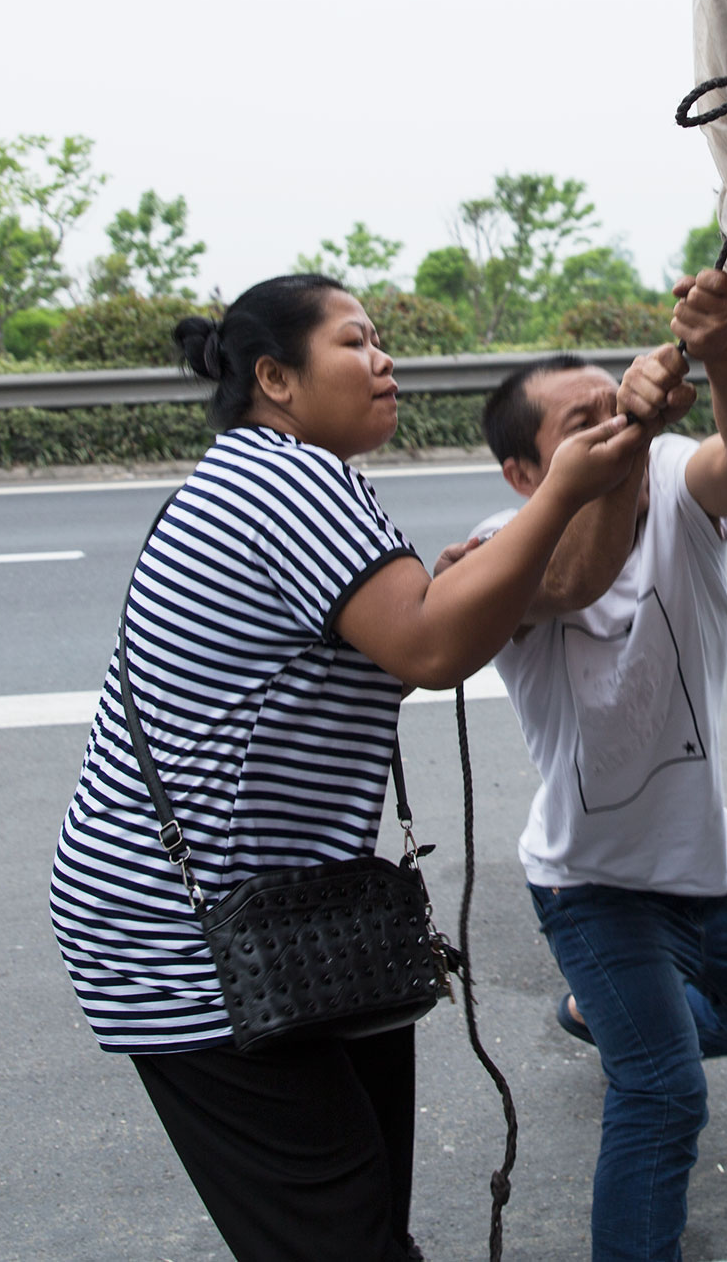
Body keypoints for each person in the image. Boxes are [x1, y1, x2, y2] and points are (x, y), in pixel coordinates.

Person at [48, 272, 649, 1262]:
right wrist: (560, 490)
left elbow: (564, 583)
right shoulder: (285, 480)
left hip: (298, 921)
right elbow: (430, 646)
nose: (384, 360)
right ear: (275, 379)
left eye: (380, 341)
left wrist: (621, 460)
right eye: (355, 341)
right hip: (193, 937)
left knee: (357, 1221)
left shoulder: (283, 476)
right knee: (342, 1239)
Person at [444, 269, 727, 1262]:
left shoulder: (676, 480)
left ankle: (598, 1013)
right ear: (524, 474)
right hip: (592, 883)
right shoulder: (500, 549)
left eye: (618, 402)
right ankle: (628, 1020)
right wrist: (635, 432)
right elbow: (571, 580)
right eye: (584, 424)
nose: (616, 423)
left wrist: (721, 351)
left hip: (699, 859)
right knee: (662, 1093)